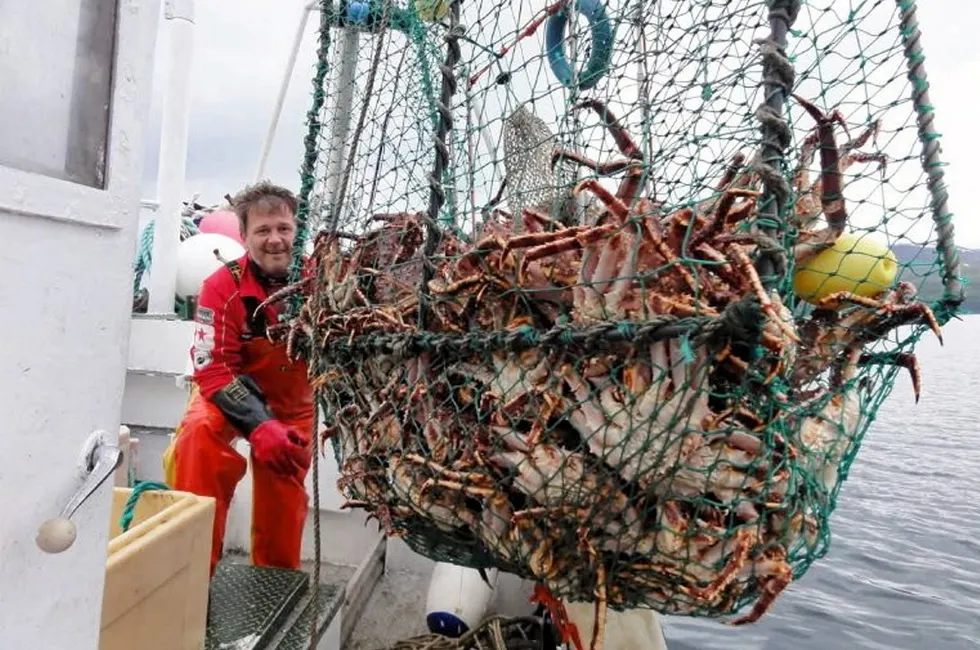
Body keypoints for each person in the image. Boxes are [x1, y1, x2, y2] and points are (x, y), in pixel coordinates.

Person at [162, 181, 314, 578]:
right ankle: (191, 576)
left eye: (284, 228)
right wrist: (260, 425)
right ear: (244, 237)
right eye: (263, 231)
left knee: (285, 482)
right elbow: (212, 367)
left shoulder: (324, 281)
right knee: (197, 440)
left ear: (298, 231)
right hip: (226, 392)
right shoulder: (221, 286)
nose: (275, 239)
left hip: (293, 402)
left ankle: (275, 582)